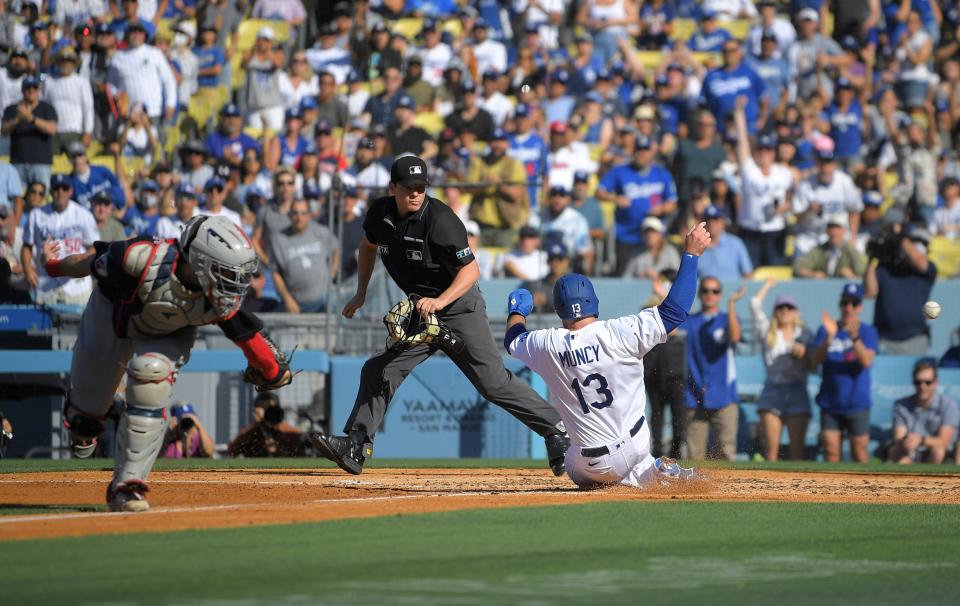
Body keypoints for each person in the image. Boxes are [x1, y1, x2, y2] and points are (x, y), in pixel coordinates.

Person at [309, 156, 570, 476]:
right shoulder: (380, 213)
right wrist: (361, 292)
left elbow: (471, 271)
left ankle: (557, 429)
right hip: (422, 310)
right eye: (408, 188)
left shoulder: (441, 220)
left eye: (420, 188)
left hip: (460, 307)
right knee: (379, 368)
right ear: (393, 188)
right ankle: (356, 444)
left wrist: (440, 300)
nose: (416, 194)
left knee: (493, 383)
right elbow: (367, 247)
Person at [49, 215, 292, 511]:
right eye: (227, 274)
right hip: (112, 313)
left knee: (151, 374)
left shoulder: (215, 297)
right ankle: (84, 425)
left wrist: (274, 370)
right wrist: (55, 266)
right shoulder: (138, 258)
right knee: (86, 419)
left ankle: (128, 485)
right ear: (201, 262)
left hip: (168, 333)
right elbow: (87, 262)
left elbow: (248, 338)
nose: (235, 286)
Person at [503, 222, 711, 489]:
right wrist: (691, 255)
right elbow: (675, 311)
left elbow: (512, 340)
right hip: (634, 445)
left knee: (573, 464)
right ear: (593, 301)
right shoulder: (619, 332)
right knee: (632, 462)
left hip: (587, 464)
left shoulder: (548, 343)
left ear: (559, 309)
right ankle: (649, 470)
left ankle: (639, 473)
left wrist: (517, 310)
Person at [808, 283, 878, 463]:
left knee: (860, 452)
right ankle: (833, 491)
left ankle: (864, 491)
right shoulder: (826, 329)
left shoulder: (867, 331)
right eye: (845, 302)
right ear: (840, 305)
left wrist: (854, 337)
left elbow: (866, 361)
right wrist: (830, 338)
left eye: (854, 303)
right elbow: (814, 361)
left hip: (857, 402)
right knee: (831, 452)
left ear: (860, 307)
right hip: (830, 402)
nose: (849, 308)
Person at [750, 279, 812, 461]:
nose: (785, 310)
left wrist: (804, 351)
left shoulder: (804, 334)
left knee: (797, 450)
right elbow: (754, 304)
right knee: (771, 451)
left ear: (796, 312)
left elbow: (814, 359)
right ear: (775, 312)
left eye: (789, 307)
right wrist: (767, 285)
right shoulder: (768, 331)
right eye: (781, 307)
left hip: (797, 389)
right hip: (773, 389)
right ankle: (770, 490)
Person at [597, 135, 678, 275]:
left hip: (654, 236)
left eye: (645, 150)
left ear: (651, 153)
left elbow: (672, 202)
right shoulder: (620, 171)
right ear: (633, 152)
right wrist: (615, 198)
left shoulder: (661, 173)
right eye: (639, 150)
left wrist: (662, 208)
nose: (642, 154)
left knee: (657, 275)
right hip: (627, 235)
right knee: (624, 275)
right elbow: (599, 192)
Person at [682, 276, 744, 461]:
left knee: (726, 455)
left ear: (720, 295)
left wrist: (732, 304)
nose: (710, 295)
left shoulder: (727, 318)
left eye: (715, 291)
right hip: (695, 397)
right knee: (695, 457)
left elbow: (734, 336)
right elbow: (667, 330)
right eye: (706, 290)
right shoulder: (690, 320)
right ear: (700, 294)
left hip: (724, 395)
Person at [732, 97, 792, 267]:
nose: (763, 154)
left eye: (767, 150)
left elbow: (791, 200)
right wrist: (739, 113)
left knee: (776, 270)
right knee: (751, 271)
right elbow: (742, 141)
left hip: (776, 230)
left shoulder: (784, 172)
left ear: (773, 153)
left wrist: (784, 208)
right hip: (750, 230)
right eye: (760, 150)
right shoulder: (749, 169)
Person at [21, 174, 98, 306]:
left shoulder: (83, 214)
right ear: (50, 192)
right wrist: (27, 269)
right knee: (42, 326)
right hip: (45, 284)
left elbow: (93, 247)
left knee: (79, 325)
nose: (60, 192)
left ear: (70, 191)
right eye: (56, 189)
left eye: (64, 188)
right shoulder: (36, 215)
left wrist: (80, 264)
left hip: (77, 287)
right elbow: (26, 247)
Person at [864, 224, 937, 355]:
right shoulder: (884, 269)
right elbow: (869, 292)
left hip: (915, 338)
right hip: (884, 338)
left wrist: (899, 237)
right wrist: (871, 260)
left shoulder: (926, 271)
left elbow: (920, 261)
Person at [269, 199, 339, 314]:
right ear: (289, 215)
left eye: (303, 213)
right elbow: (275, 273)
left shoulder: (320, 232)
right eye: (295, 213)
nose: (299, 218)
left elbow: (336, 249)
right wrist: (287, 299)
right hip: (296, 304)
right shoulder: (279, 239)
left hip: (324, 301)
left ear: (309, 215)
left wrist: (332, 273)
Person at [887, 360, 959, 464]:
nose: (922, 386)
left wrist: (921, 440)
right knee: (897, 453)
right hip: (910, 452)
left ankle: (933, 480)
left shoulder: (949, 405)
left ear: (935, 383)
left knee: (938, 451)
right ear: (913, 382)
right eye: (918, 382)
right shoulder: (901, 405)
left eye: (927, 382)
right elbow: (899, 436)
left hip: (939, 455)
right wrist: (906, 441)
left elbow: (944, 441)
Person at [106, 20, 177, 125]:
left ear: (144, 35)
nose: (136, 35)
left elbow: (169, 80)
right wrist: (116, 96)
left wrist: (170, 104)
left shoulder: (154, 53)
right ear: (127, 35)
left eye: (139, 32)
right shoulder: (118, 57)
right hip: (129, 114)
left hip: (153, 112)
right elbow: (111, 83)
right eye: (133, 32)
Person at [1, 76, 57, 190]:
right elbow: (3, 131)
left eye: (34, 88)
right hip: (18, 163)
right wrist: (18, 119)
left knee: (40, 199)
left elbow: (52, 129)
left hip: (41, 163)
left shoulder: (47, 108)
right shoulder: (12, 109)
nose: (31, 90)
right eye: (28, 88)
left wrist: (31, 118)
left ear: (39, 90)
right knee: (17, 198)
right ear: (22, 90)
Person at [42, 46, 94, 154]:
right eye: (62, 60)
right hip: (53, 132)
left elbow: (88, 109)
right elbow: (44, 105)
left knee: (75, 164)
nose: (65, 63)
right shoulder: (49, 81)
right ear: (57, 63)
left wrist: (88, 132)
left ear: (74, 63)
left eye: (69, 60)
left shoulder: (82, 82)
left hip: (74, 131)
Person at [227, 392, 305, 457]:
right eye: (259, 407)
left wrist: (277, 448)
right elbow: (232, 450)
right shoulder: (252, 431)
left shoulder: (288, 431)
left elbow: (301, 452)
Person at [540, 185, 594, 275]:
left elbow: (585, 251)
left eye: (561, 196)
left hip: (568, 263)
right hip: (542, 263)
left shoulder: (578, 219)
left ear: (568, 199)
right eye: (553, 195)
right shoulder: (538, 216)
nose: (557, 200)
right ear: (548, 199)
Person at [793, 214, 868, 278]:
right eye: (830, 228)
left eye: (837, 228)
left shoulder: (850, 250)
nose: (833, 231)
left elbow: (863, 272)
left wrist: (852, 276)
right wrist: (813, 274)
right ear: (826, 231)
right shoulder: (820, 250)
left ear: (844, 230)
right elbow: (798, 267)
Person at [697, 205, 754, 280]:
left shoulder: (736, 243)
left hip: (733, 290)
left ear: (723, 221)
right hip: (705, 290)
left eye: (715, 219)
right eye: (707, 219)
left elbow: (748, 274)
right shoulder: (696, 246)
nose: (711, 223)